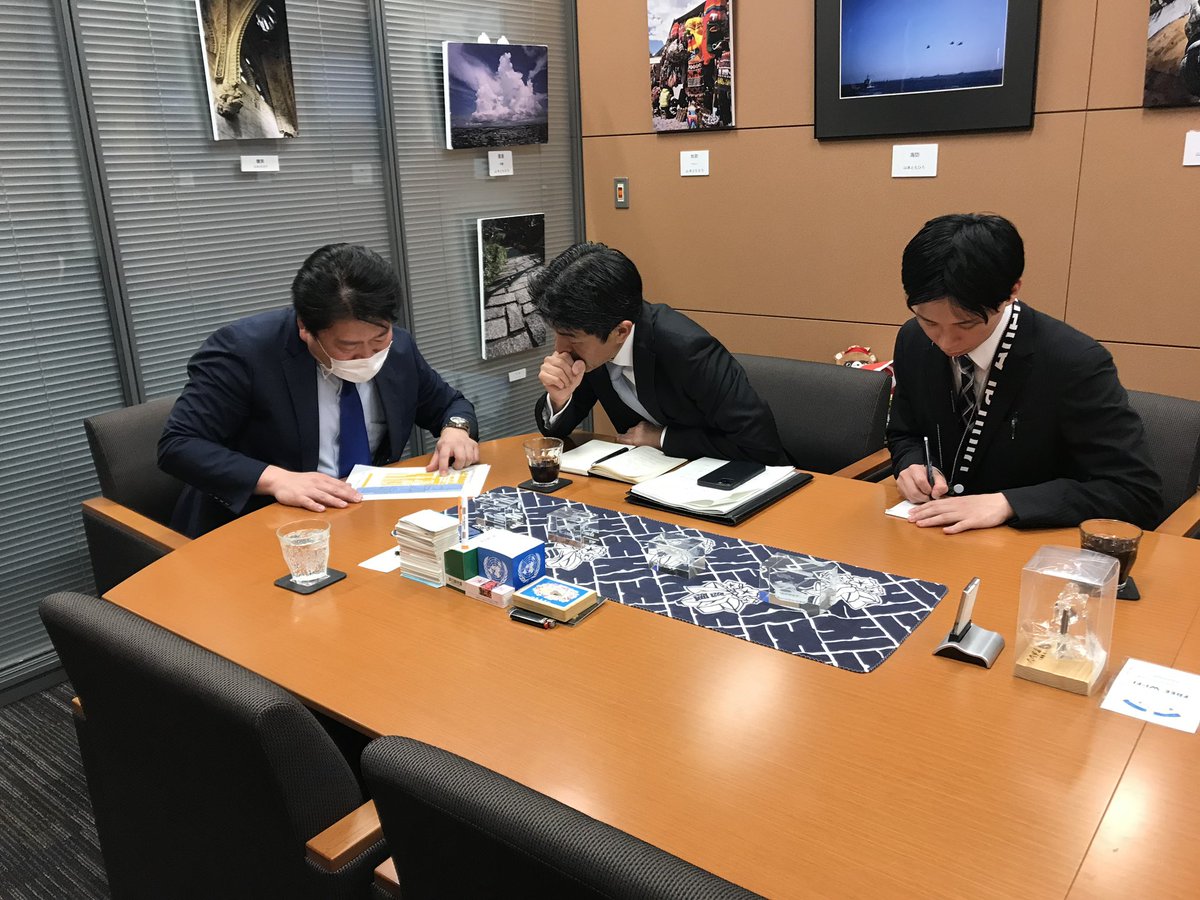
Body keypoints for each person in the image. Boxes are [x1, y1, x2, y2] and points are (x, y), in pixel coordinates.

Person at [160, 243, 479, 537]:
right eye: (348, 346)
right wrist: (277, 479)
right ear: (305, 327)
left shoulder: (398, 349)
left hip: (364, 515)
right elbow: (179, 444)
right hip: (263, 525)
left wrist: (456, 429)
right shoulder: (245, 352)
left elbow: (450, 405)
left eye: (379, 339)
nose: (367, 356)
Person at [887, 214, 1162, 534]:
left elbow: (1136, 492)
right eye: (929, 321)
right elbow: (904, 433)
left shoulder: (1073, 361)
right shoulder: (913, 340)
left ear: (1011, 291)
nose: (946, 342)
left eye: (966, 324)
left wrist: (1009, 503)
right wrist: (911, 464)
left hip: (1029, 542)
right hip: (932, 533)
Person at [531, 242, 787, 465]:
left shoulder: (688, 349)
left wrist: (663, 438)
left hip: (730, 482)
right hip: (649, 479)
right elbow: (556, 432)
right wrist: (559, 398)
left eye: (571, 337)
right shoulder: (591, 341)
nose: (560, 348)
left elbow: (761, 446)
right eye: (557, 333)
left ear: (621, 331)